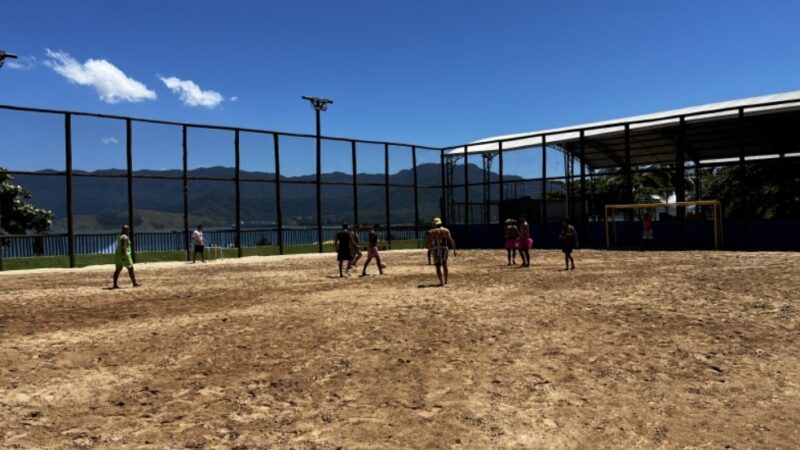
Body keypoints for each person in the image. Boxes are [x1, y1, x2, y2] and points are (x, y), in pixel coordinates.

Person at [425, 217, 456, 286]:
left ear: (434, 224)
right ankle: (446, 281)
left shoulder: (433, 231)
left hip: (436, 249)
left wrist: (429, 248)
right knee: (445, 264)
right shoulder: (446, 230)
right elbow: (450, 240)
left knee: (437, 265)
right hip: (445, 248)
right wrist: (454, 249)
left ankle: (441, 282)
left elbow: (429, 241)